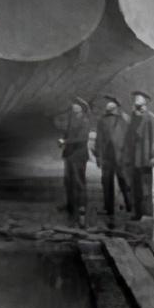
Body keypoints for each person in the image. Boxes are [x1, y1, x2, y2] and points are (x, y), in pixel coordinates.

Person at [125, 91, 154, 220]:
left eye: (139, 100)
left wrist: (153, 156)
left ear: (145, 103)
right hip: (133, 158)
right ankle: (137, 212)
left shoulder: (151, 118)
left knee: (145, 187)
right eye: (135, 100)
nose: (136, 102)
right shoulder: (132, 117)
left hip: (144, 158)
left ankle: (146, 213)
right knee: (134, 186)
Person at [93, 95, 131, 219]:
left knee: (124, 181)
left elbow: (129, 139)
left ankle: (130, 205)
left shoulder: (124, 120)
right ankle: (108, 208)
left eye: (111, 103)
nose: (108, 105)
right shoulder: (102, 121)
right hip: (107, 157)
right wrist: (98, 156)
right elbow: (99, 140)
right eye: (108, 103)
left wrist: (127, 156)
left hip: (121, 156)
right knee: (107, 182)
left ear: (116, 107)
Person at [59, 97, 91, 226]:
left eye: (76, 105)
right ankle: (71, 206)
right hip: (69, 155)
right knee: (68, 182)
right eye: (73, 104)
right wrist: (62, 140)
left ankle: (81, 208)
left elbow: (82, 139)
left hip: (79, 156)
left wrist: (65, 141)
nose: (73, 106)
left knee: (79, 182)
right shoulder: (72, 119)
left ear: (81, 108)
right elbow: (67, 134)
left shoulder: (85, 121)